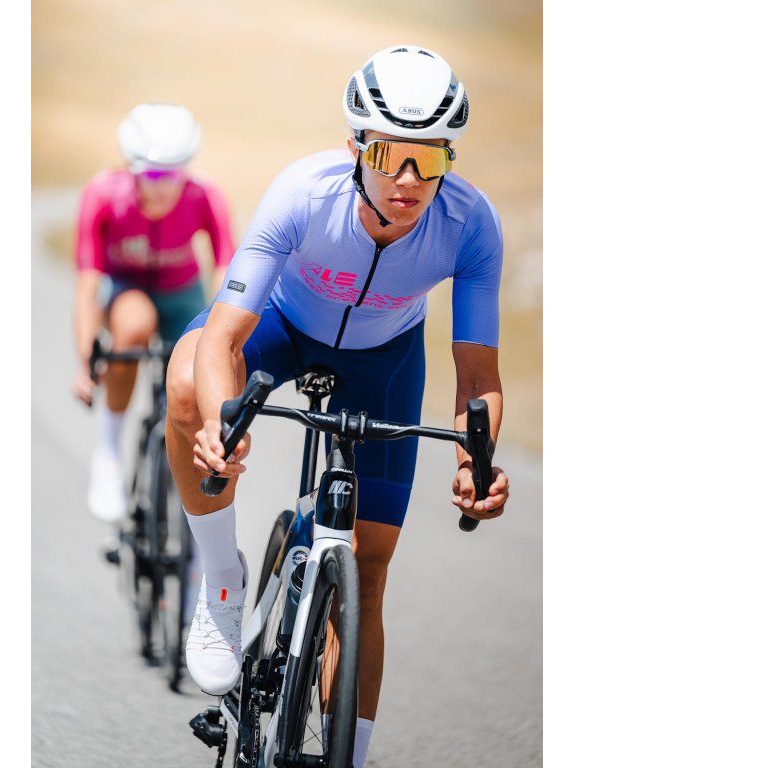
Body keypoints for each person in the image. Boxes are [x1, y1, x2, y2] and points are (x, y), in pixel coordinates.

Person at [165, 45, 511, 767]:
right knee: (186, 386)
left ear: (449, 158)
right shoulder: (303, 195)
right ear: (356, 146)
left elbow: (477, 373)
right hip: (282, 325)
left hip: (384, 356)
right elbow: (222, 337)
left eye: (430, 158)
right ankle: (221, 578)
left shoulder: (471, 223)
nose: (408, 179)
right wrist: (223, 430)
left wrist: (475, 465)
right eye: (388, 153)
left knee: (369, 572)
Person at [71, 103, 235, 527]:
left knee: (196, 369)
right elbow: (88, 284)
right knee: (135, 324)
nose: (164, 186)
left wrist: (221, 342)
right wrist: (87, 361)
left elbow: (226, 272)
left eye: (176, 173)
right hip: (127, 290)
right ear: (131, 167)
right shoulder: (103, 194)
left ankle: (197, 527)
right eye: (153, 176)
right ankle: (109, 450)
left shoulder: (204, 194)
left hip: (182, 293)